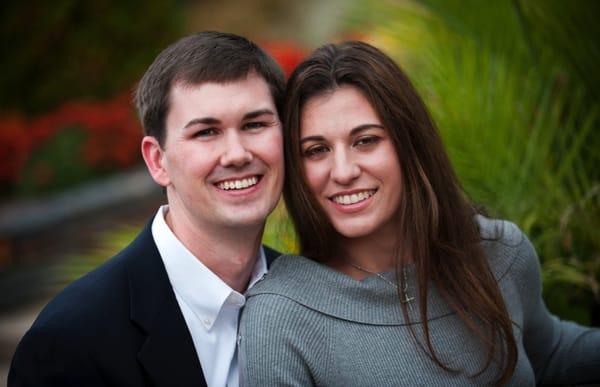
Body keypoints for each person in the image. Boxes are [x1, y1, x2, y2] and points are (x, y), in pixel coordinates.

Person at [239, 41, 600, 386]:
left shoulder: (498, 251)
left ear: (410, 143)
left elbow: (548, 352)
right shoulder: (280, 316)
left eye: (366, 141)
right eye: (316, 150)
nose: (344, 171)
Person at [9, 31, 285, 387]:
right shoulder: (70, 341)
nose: (237, 154)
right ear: (158, 161)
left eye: (255, 125)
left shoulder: (318, 299)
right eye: (206, 132)